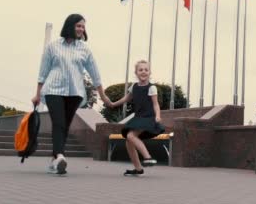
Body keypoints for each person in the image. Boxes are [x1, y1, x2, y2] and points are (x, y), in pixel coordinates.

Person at [32, 13, 110, 175]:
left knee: (65, 126)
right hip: (54, 89)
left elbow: (95, 74)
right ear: (70, 26)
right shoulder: (53, 46)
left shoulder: (84, 49)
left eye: (83, 26)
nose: (81, 29)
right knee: (59, 122)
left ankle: (55, 159)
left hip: (75, 93)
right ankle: (60, 156)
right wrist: (37, 94)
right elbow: (43, 72)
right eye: (78, 26)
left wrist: (102, 95)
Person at [107, 60, 164, 176]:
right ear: (136, 73)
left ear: (149, 72)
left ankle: (148, 157)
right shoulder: (134, 86)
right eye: (140, 70)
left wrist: (158, 116)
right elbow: (125, 99)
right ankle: (138, 169)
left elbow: (155, 104)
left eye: (146, 70)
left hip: (148, 118)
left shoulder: (152, 88)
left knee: (130, 135)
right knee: (129, 141)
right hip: (138, 118)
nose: (143, 72)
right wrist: (113, 104)